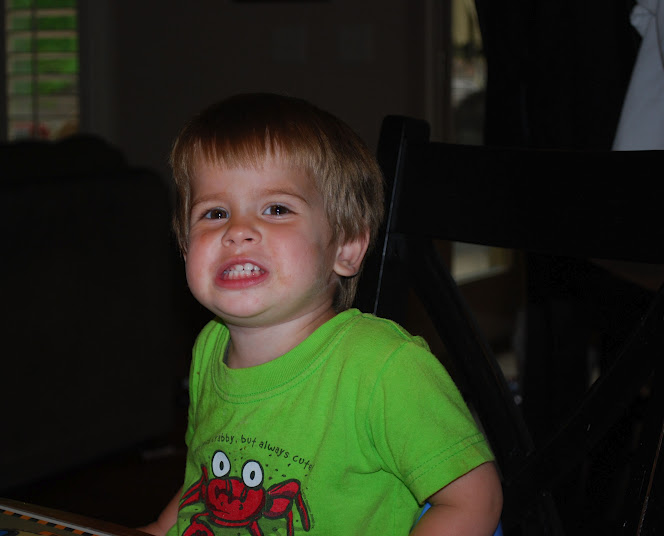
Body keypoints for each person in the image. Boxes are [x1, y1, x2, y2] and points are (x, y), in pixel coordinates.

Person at [141, 93, 502, 536]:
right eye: (214, 213)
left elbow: (476, 500)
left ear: (345, 247)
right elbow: (206, 479)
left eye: (276, 209)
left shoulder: (383, 368)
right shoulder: (208, 348)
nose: (237, 231)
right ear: (184, 248)